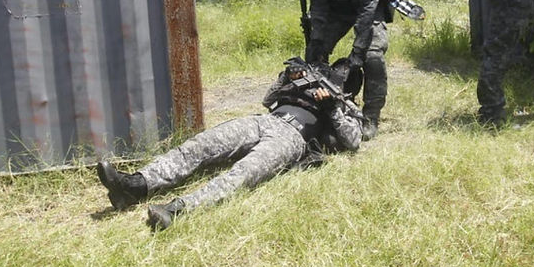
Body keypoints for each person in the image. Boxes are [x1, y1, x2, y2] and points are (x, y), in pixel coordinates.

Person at [96, 58, 363, 231]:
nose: (336, 75)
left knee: (243, 174)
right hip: (264, 120)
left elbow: (353, 141)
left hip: (291, 137)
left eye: (342, 76)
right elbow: (268, 99)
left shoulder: (345, 106)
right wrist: (286, 77)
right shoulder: (306, 85)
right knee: (200, 145)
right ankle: (135, 185)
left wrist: (332, 109)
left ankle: (176, 209)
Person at [304, 0, 389, 141]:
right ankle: (314, 106)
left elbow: (368, 11)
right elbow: (318, 6)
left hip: (368, 12)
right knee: (314, 53)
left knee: (372, 58)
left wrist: (357, 52)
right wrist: (318, 40)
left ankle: (370, 116)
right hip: (337, 11)